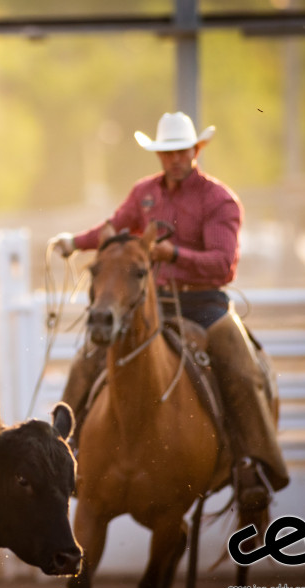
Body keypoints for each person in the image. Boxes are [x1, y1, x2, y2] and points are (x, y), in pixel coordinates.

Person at [50, 111, 289, 512]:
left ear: (195, 151)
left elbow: (223, 263)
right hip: (149, 303)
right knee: (90, 356)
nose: (175, 159)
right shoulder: (144, 193)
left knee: (240, 367)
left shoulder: (218, 200)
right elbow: (114, 228)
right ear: (160, 155)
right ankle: (64, 447)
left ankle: (255, 464)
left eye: (181, 151)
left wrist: (173, 253)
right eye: (167, 153)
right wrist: (76, 241)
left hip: (205, 306)